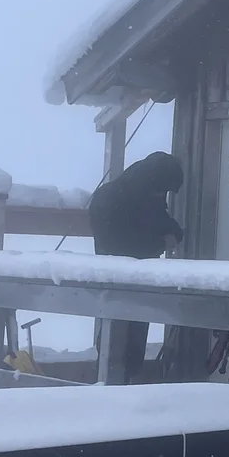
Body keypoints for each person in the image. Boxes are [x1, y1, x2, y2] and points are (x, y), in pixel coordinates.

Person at [87, 151, 183, 383]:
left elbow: (165, 223)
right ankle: (116, 388)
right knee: (117, 347)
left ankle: (121, 385)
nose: (163, 196)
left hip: (136, 283)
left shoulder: (143, 193)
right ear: (155, 184)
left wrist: (172, 234)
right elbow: (120, 245)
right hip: (118, 281)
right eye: (163, 190)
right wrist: (162, 241)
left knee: (124, 345)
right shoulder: (114, 199)